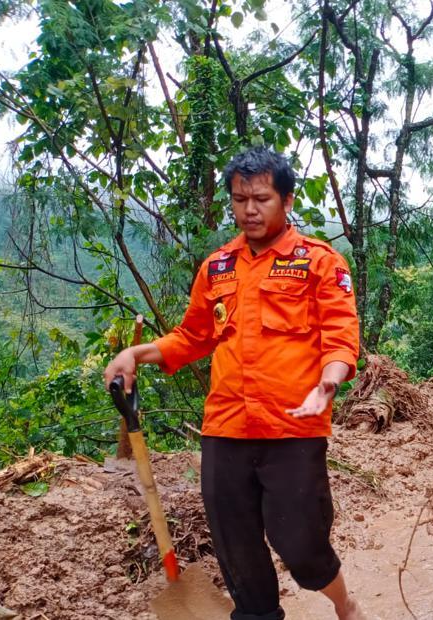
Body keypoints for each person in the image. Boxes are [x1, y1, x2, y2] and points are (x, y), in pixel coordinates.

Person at [103, 147, 365, 620]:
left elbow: (341, 340)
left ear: (286, 201)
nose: (249, 209)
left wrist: (326, 386)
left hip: (293, 429)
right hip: (225, 428)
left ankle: (345, 604)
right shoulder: (218, 267)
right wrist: (135, 353)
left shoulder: (320, 263)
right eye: (240, 199)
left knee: (300, 543)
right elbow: (191, 337)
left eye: (261, 198)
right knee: (237, 549)